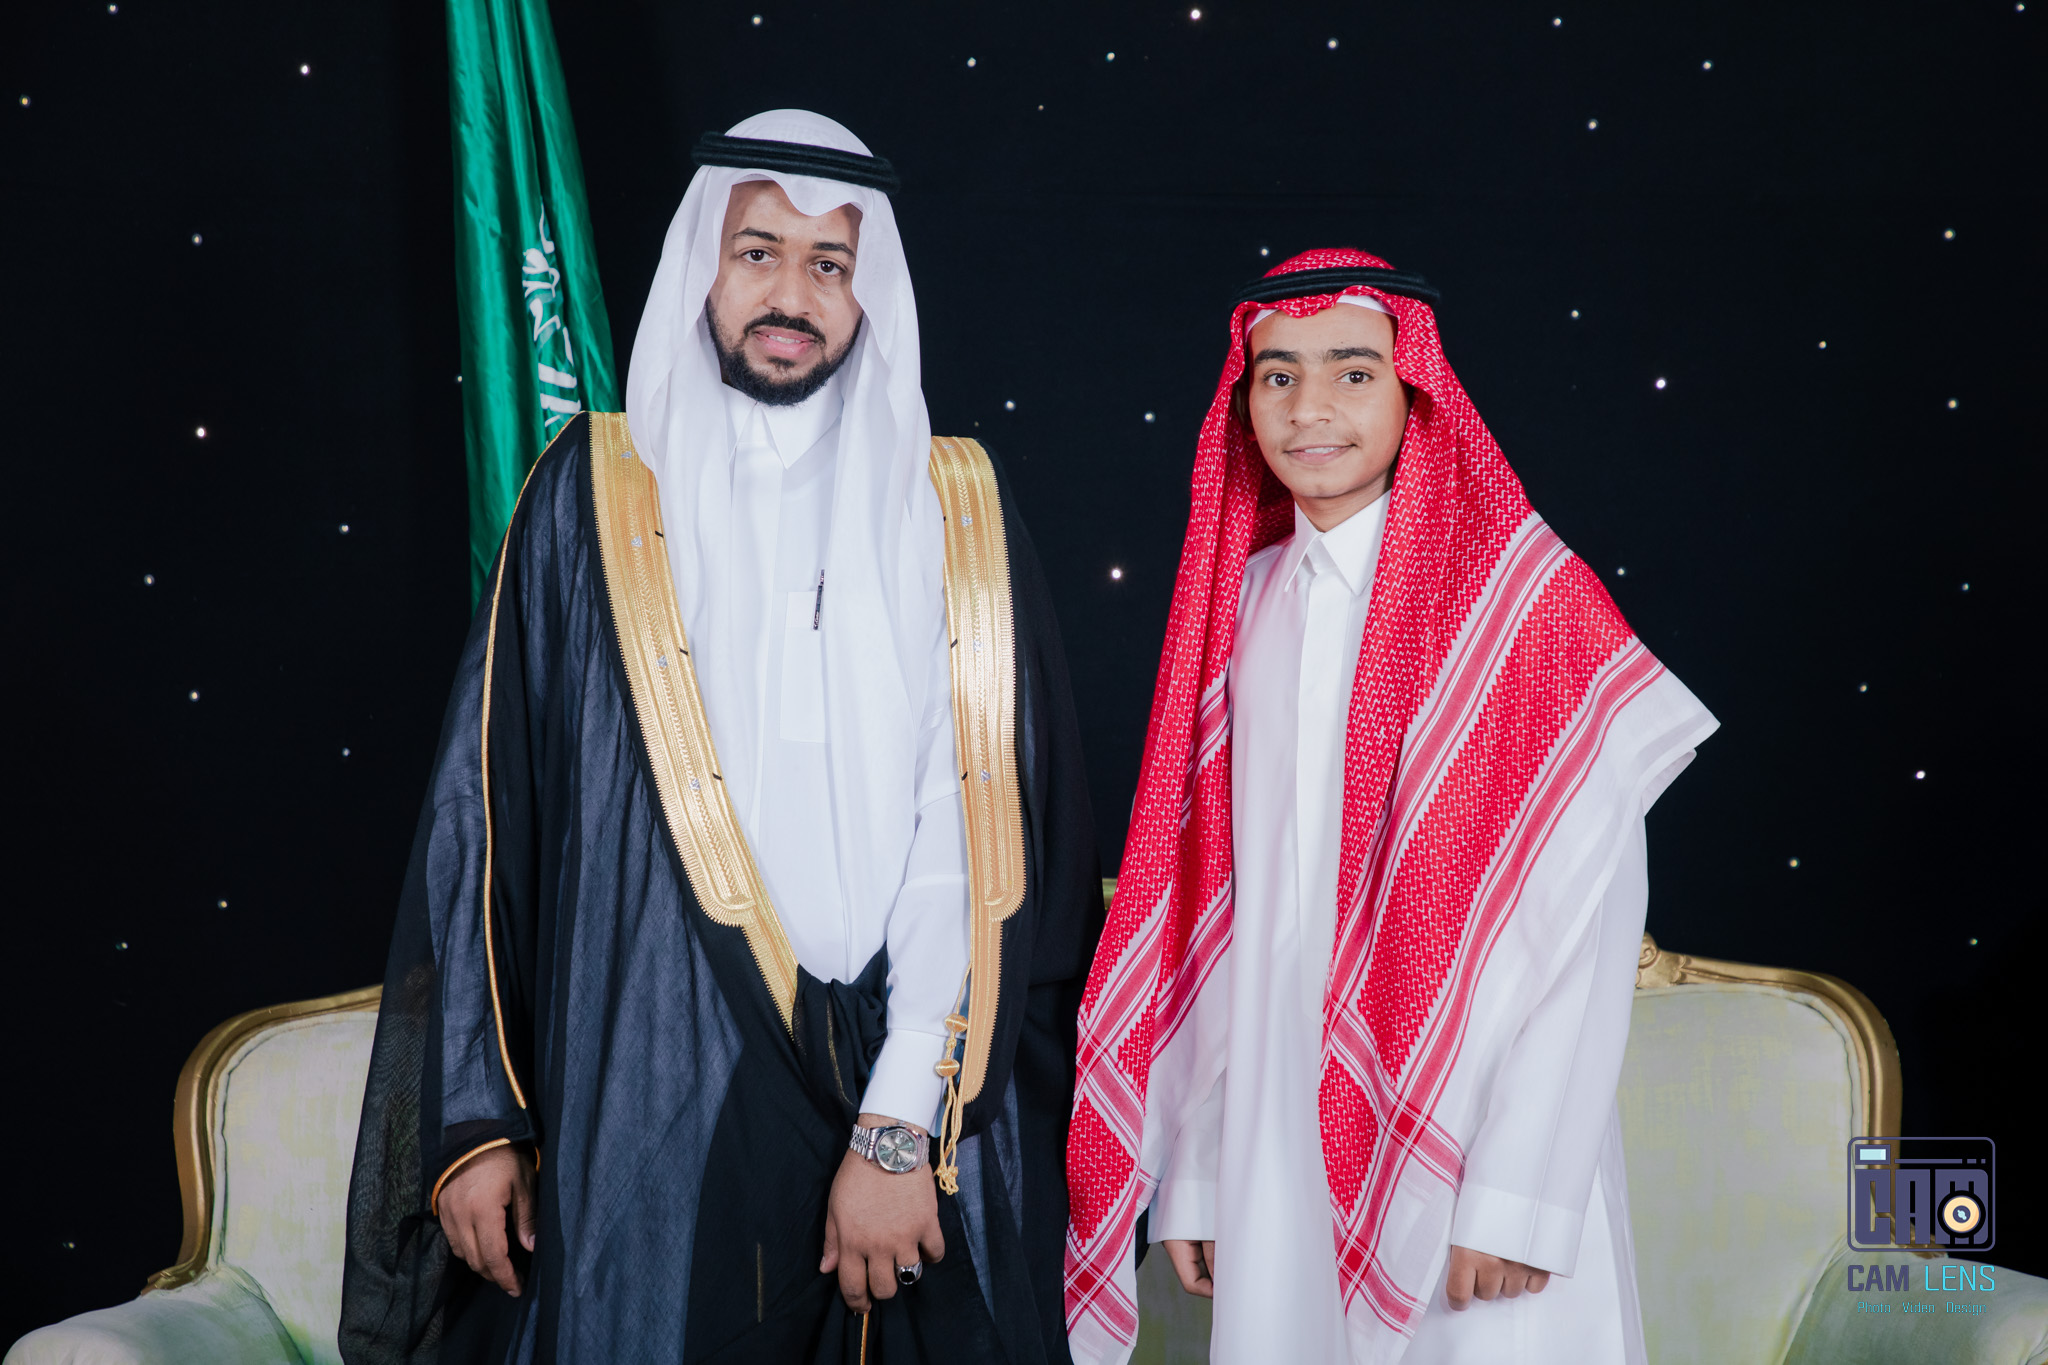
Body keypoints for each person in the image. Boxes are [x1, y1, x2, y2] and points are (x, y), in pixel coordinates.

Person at [341, 110, 1101, 1364]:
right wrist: (477, 1120)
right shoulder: (588, 497)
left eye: (828, 263)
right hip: (657, 1087)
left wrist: (899, 1124)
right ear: (703, 263)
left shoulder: (950, 505)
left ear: (867, 289)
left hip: (903, 1093)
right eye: (758, 252)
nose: (790, 293)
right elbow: (485, 818)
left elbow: (971, 839)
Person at [1063, 249, 1716, 1365]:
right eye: (1277, 375)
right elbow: (1221, 916)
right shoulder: (1245, 603)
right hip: (1276, 1131)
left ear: (1417, 394)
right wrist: (1203, 1172)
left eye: (1353, 371)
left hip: (1471, 1139)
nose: (1309, 406)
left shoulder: (1518, 602)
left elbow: (1590, 910)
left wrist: (1519, 1192)